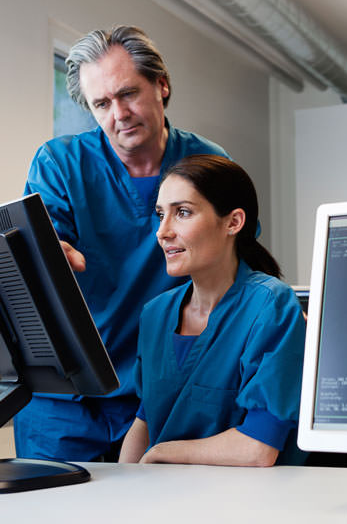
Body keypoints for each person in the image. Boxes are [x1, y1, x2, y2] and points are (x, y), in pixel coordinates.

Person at [15, 26, 230, 462]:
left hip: (165, 394)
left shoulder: (208, 164)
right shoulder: (60, 163)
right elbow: (46, 245)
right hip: (69, 402)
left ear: (161, 85)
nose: (119, 114)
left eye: (128, 93)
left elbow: (234, 270)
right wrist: (46, 257)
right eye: (102, 104)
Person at [118, 155, 307, 466]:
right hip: (164, 499)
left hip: (247, 503)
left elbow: (259, 449)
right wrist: (122, 490)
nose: (162, 232)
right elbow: (146, 420)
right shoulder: (156, 314)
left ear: (233, 222)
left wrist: (163, 453)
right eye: (160, 214)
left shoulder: (270, 306)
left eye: (182, 213)